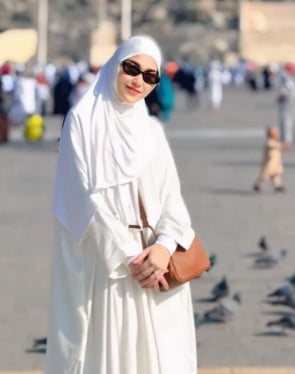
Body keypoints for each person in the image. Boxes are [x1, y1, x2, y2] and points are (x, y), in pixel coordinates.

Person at [46, 35, 198, 374]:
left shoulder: (152, 131)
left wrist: (163, 247)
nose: (138, 81)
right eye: (132, 68)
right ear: (115, 65)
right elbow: (82, 201)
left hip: (157, 267)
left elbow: (172, 198)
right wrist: (131, 258)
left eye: (149, 76)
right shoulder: (82, 123)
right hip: (110, 270)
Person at [253, 126, 285, 193]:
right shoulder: (269, 142)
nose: (277, 135)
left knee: (276, 176)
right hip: (269, 164)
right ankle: (257, 185)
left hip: (276, 163)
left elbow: (279, 147)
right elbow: (273, 146)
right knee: (264, 176)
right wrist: (283, 146)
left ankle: (277, 186)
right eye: (275, 133)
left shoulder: (276, 142)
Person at [277, 63, 295, 148]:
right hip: (290, 103)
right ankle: (288, 140)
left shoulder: (286, 79)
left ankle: (287, 141)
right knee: (289, 121)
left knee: (287, 122)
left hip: (288, 104)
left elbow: (285, 91)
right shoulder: (289, 78)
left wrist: (280, 97)